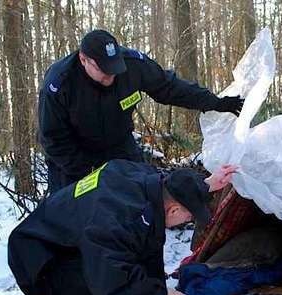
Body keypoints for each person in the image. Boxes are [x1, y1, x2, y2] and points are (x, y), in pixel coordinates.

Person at [7, 159, 237, 295]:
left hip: (70, 242)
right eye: (188, 217)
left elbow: (174, 185)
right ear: (175, 208)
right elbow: (112, 282)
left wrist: (205, 184)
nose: (187, 221)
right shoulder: (116, 220)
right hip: (39, 263)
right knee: (117, 282)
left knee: (146, 238)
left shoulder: (147, 185)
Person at [39, 29, 244, 193]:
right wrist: (90, 172)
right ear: (84, 60)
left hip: (119, 145)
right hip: (74, 158)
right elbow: (54, 140)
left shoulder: (133, 65)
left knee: (142, 197)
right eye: (104, 70)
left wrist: (215, 102)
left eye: (114, 69)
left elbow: (170, 88)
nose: (111, 77)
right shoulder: (60, 84)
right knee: (75, 217)